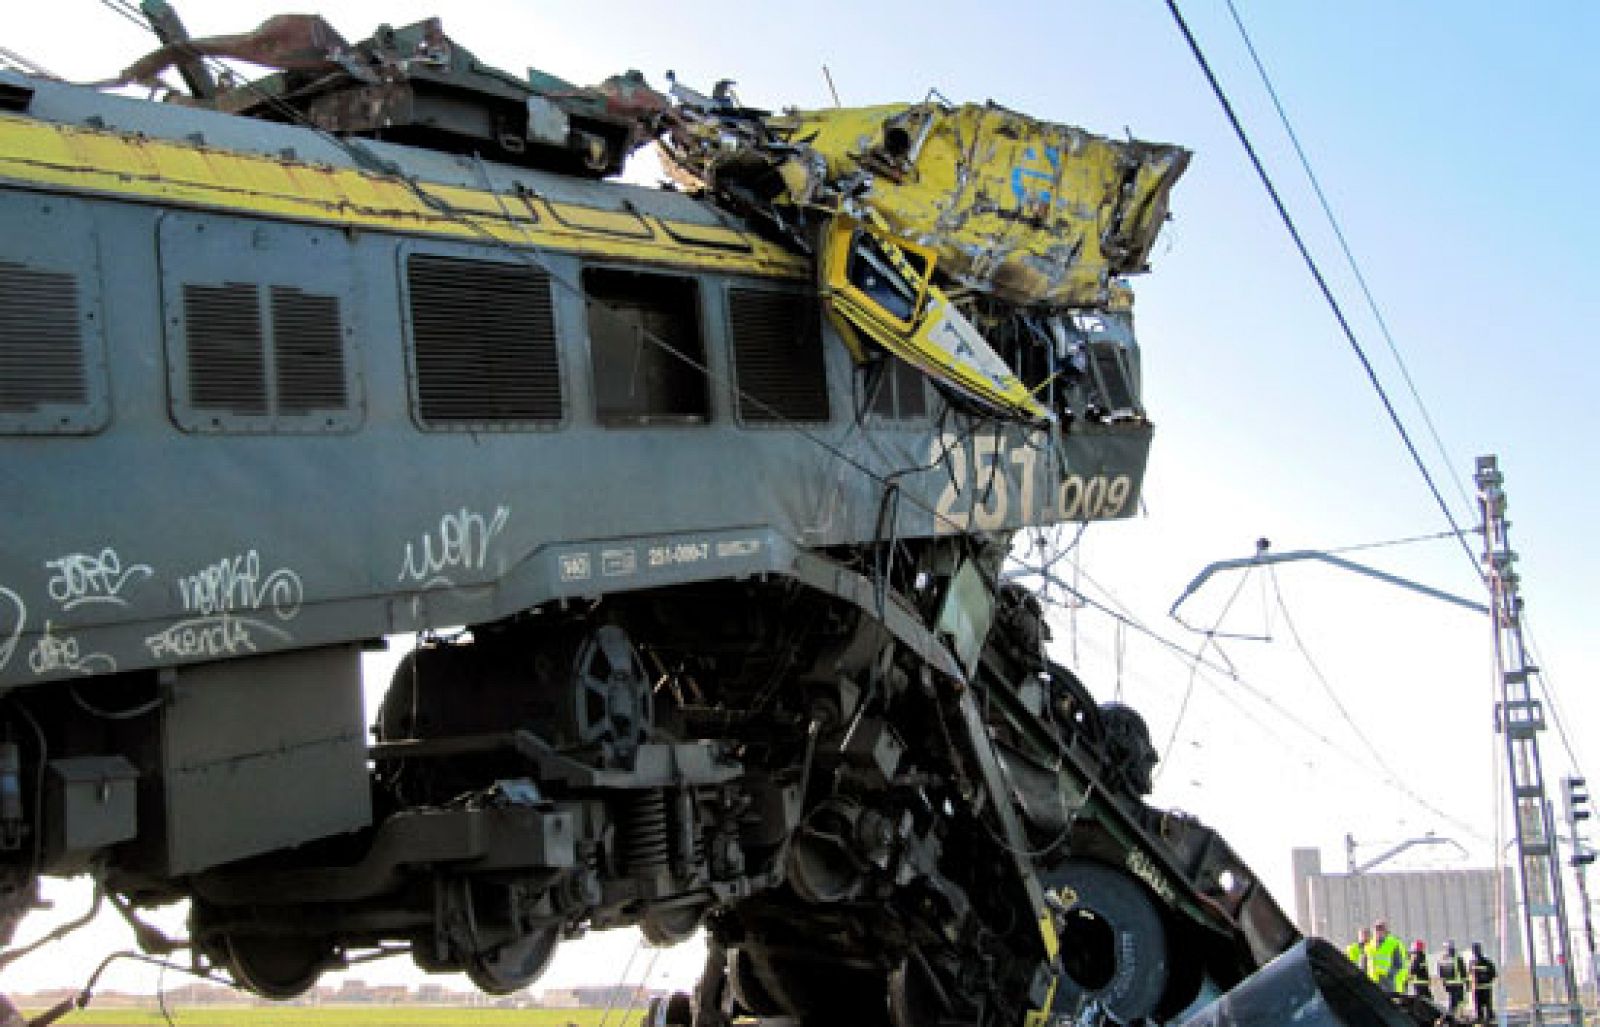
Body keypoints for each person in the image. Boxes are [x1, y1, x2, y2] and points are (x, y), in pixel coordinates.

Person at [1366, 919, 1407, 993]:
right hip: (1372, 981)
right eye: (1376, 929)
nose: (1378, 931)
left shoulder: (1392, 944)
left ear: (1385, 931)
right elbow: (1364, 965)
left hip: (1387, 982)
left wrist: (1389, 974)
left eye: (1381, 929)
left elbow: (1399, 964)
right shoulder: (1369, 945)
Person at [1437, 940, 1468, 1018]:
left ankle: (1452, 1015)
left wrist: (1444, 983)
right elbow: (1463, 971)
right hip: (1458, 983)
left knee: (1452, 1001)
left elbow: (1440, 972)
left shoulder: (1443, 959)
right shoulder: (1458, 958)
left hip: (1448, 984)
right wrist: (1467, 982)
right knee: (1459, 1001)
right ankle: (1459, 1016)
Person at [1467, 941, 1497, 1024]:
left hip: (1482, 988)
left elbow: (1493, 974)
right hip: (1480, 988)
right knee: (1482, 1007)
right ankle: (1485, 1020)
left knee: (1483, 1007)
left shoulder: (1483, 962)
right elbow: (1493, 974)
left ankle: (1486, 1020)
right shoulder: (1474, 962)